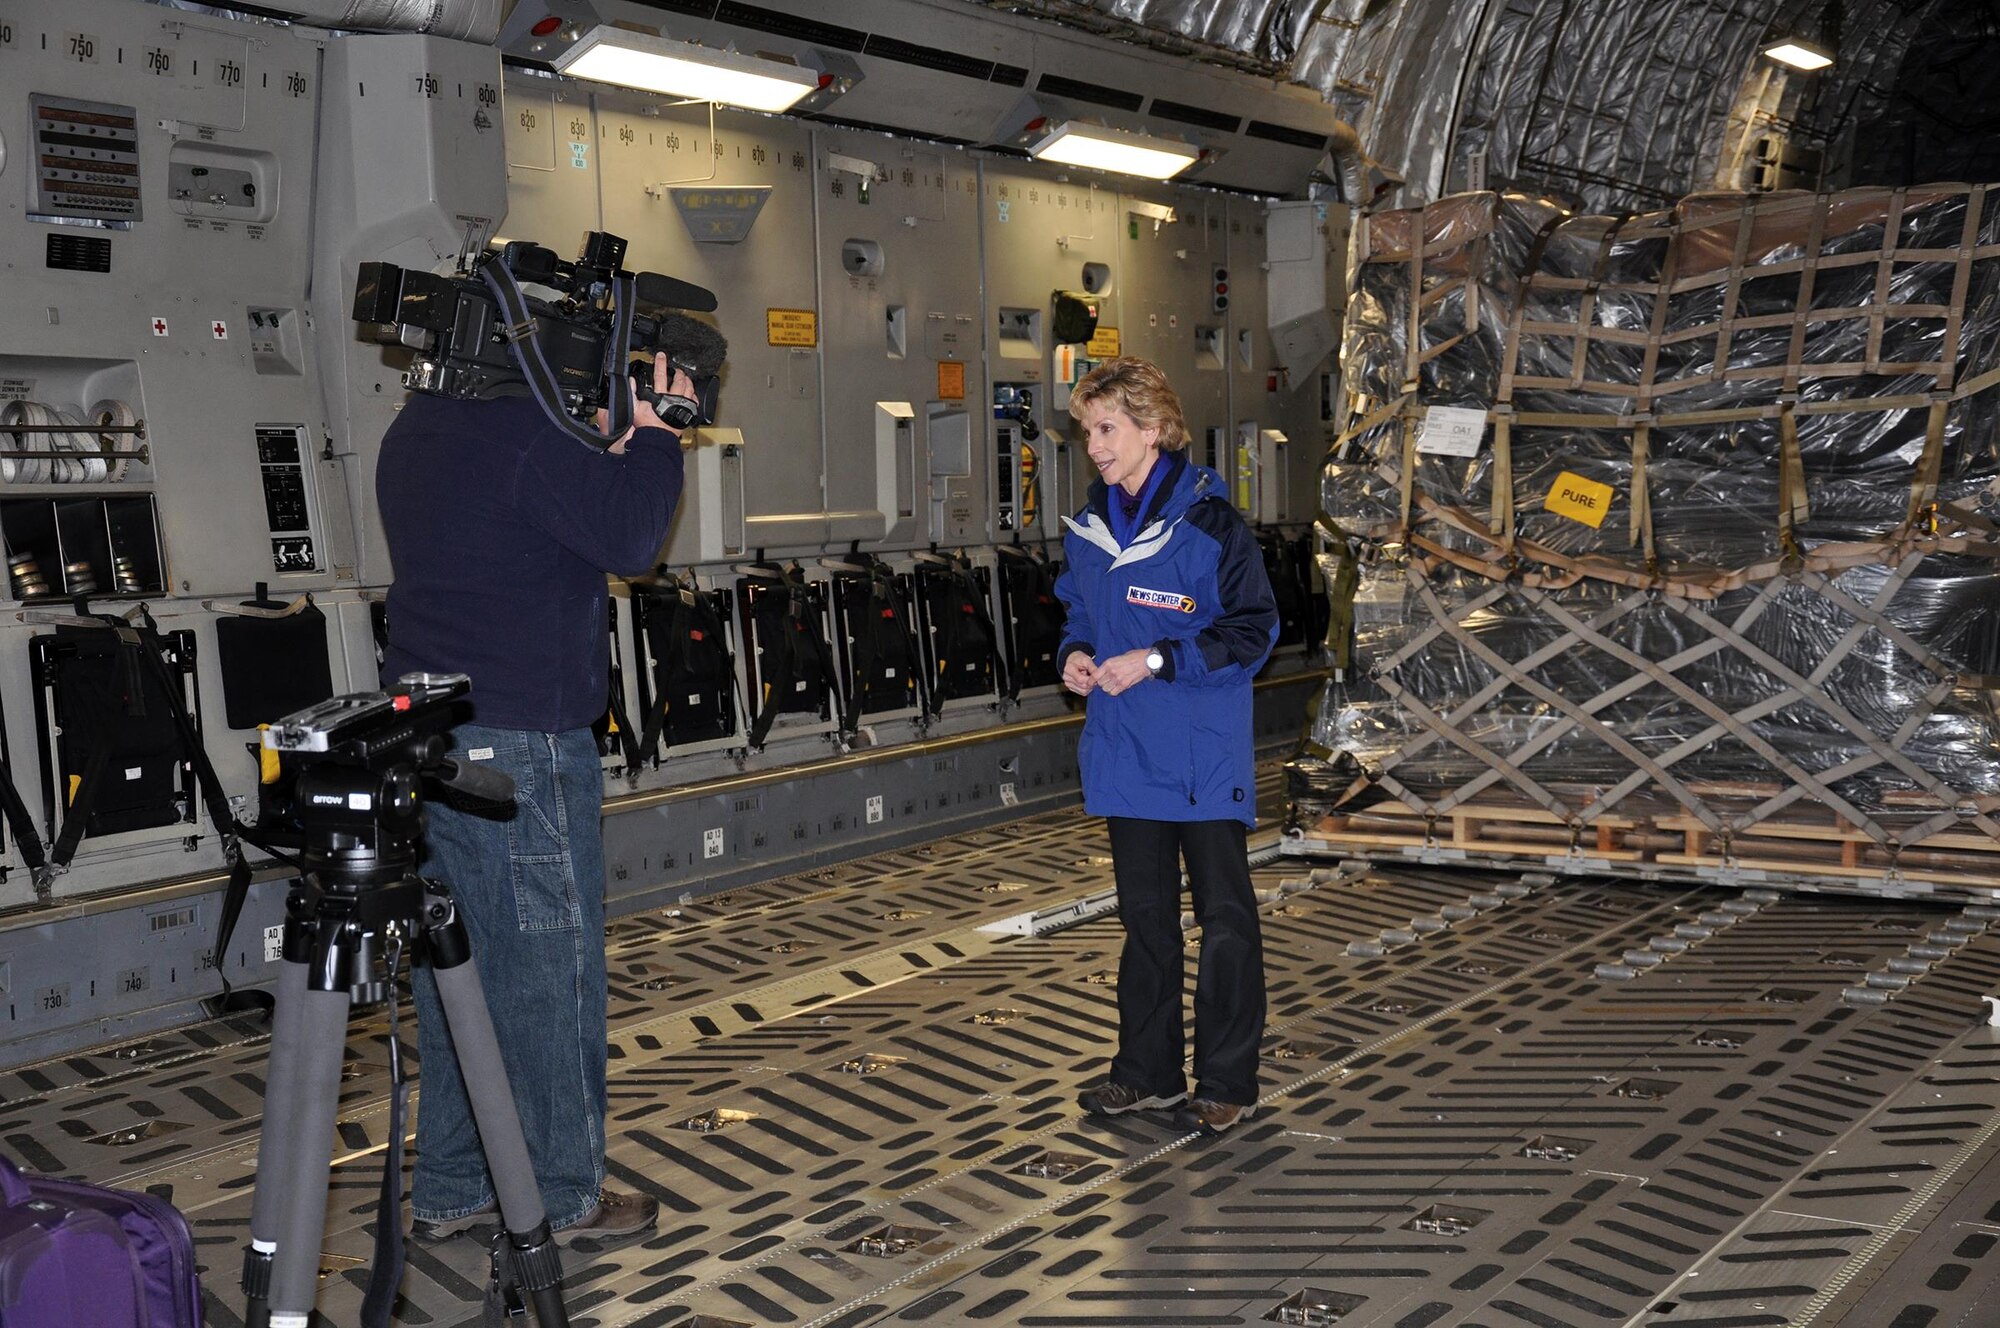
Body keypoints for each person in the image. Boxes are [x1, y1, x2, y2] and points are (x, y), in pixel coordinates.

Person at [375, 351, 692, 1243]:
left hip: (431, 734)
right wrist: (658, 432)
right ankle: (560, 1191)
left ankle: (450, 1185)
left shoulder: (417, 427)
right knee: (552, 972)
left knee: (455, 976)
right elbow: (632, 540)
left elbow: (523, 519)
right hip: (524, 746)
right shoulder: (525, 434)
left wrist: (601, 437)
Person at [1055, 356, 1279, 1135]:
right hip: (1124, 755)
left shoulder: (1212, 526)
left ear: (1153, 429)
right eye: (1088, 431)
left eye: (1107, 429)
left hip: (1199, 759)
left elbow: (1254, 631)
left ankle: (1226, 1080)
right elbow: (1077, 614)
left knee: (1225, 919)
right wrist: (1075, 657)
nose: (1093, 446)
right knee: (1144, 921)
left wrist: (1155, 660)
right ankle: (1145, 1073)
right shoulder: (1089, 530)